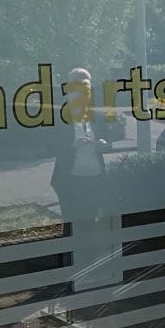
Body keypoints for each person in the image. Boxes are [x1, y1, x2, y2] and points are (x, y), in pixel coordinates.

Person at [50, 68, 107, 229]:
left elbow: (105, 139)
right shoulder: (60, 116)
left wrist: (102, 144)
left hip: (95, 177)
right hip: (70, 179)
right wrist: (72, 146)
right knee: (72, 225)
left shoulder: (96, 116)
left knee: (90, 223)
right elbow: (51, 146)